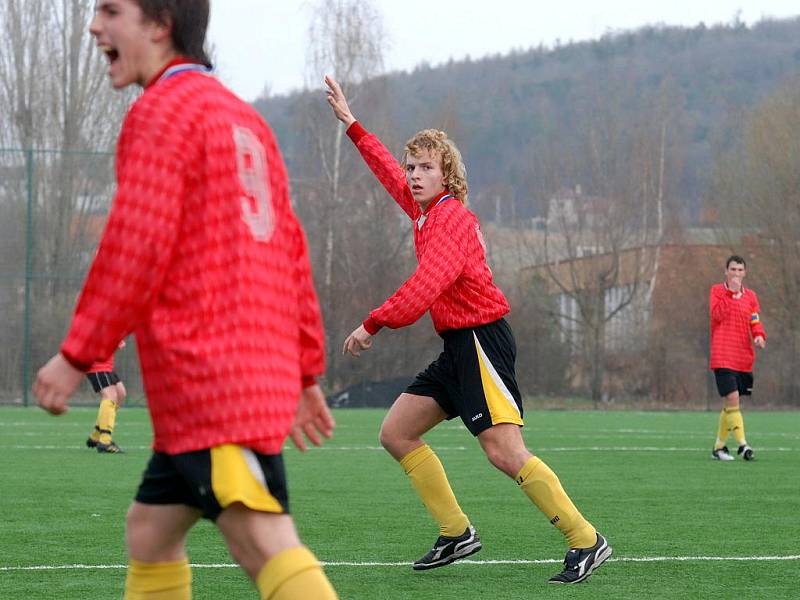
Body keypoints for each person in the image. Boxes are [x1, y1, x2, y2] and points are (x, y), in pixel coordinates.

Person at [33, 2, 339, 598]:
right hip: (236, 379)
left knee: (262, 539)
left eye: (111, 9)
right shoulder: (243, 118)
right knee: (150, 531)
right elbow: (291, 253)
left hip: (213, 385)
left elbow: (134, 246)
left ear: (160, 23)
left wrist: (76, 356)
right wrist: (303, 372)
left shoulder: (162, 113)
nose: (95, 25)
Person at [324, 75, 611, 585]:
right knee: (396, 433)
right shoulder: (424, 210)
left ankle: (585, 539)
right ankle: (456, 532)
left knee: (504, 452)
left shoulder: (450, 220)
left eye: (425, 167)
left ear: (446, 174)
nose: (413, 174)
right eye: (412, 166)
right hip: (458, 346)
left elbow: (424, 287)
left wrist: (372, 323)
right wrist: (353, 125)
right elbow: (388, 171)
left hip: (482, 343)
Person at [709, 255, 766, 461]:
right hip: (722, 354)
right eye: (732, 270)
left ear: (745, 273)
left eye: (740, 270)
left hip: (742, 356)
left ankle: (719, 447)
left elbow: (755, 320)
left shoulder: (751, 296)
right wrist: (730, 294)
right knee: (733, 399)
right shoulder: (717, 291)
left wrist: (759, 335)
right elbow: (716, 315)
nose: (736, 274)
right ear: (726, 271)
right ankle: (743, 445)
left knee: (730, 404)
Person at [85, 341, 127, 454]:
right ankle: (105, 441)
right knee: (110, 396)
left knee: (121, 394)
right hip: (97, 365)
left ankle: (96, 435)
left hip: (107, 366)